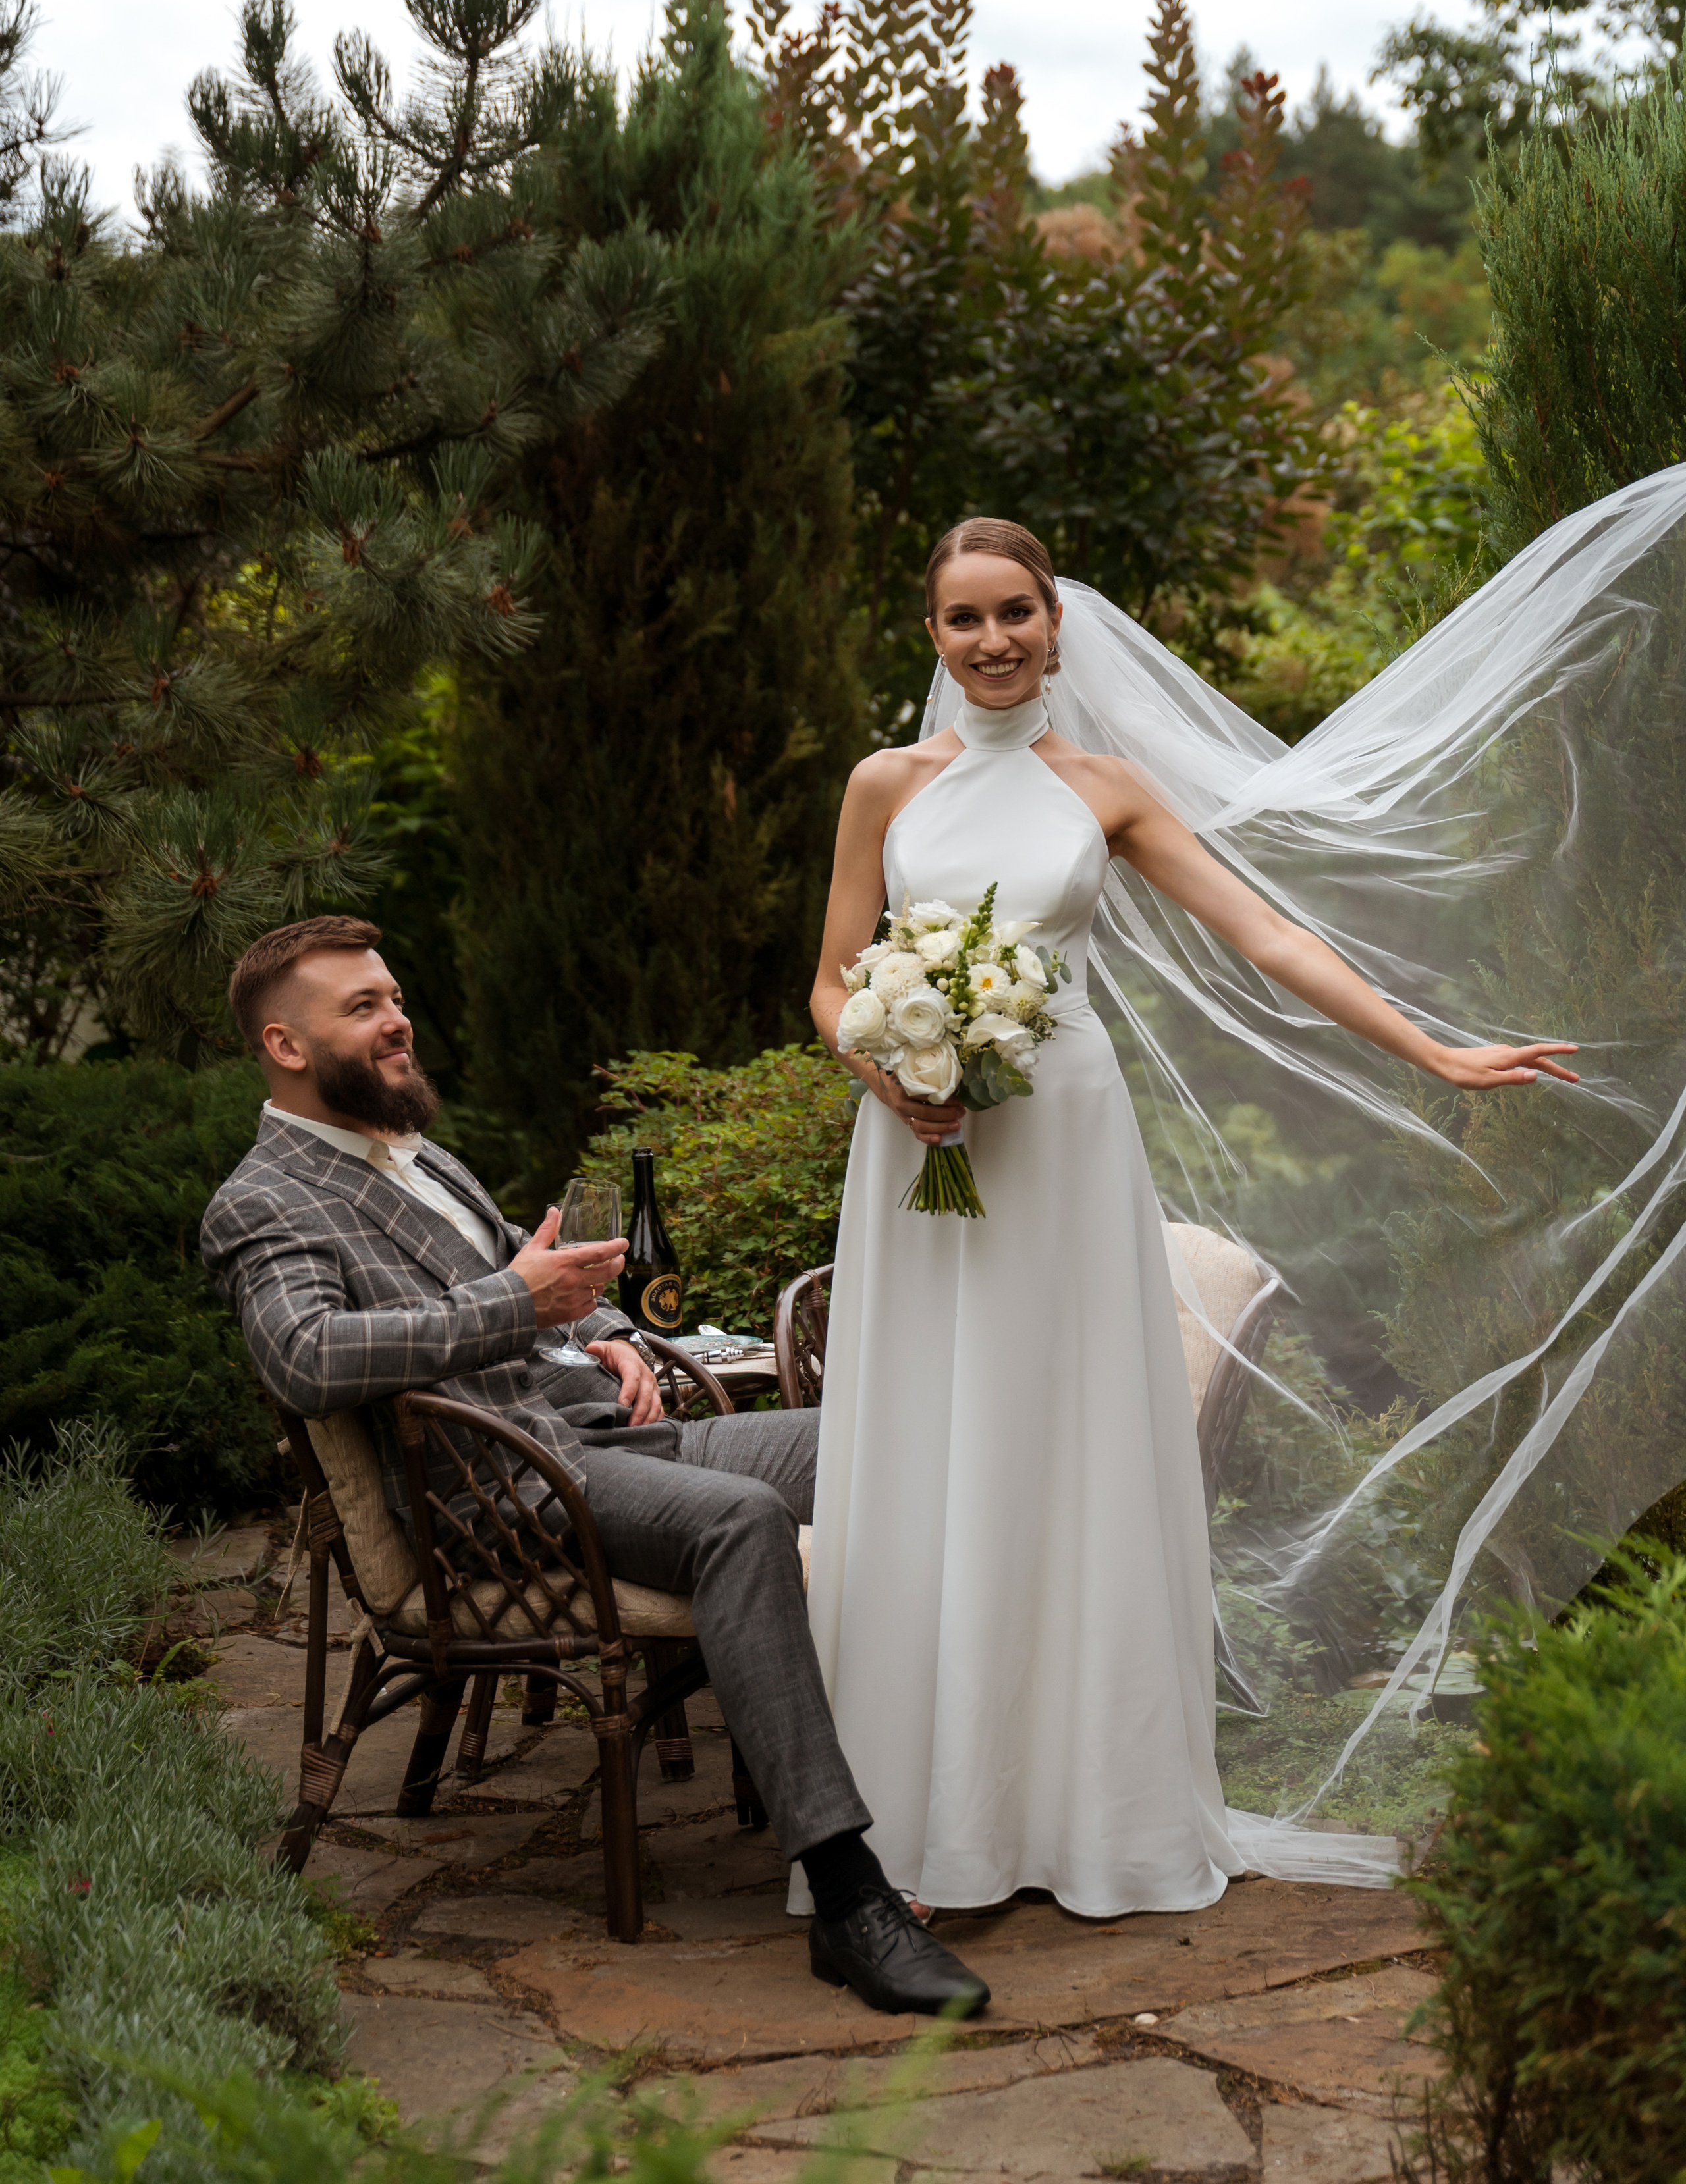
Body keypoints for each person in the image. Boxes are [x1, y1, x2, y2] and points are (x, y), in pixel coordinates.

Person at [803, 518, 1578, 1917]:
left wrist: (1435, 1050)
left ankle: (1080, 1816)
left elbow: (1266, 935)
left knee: (1060, 1433)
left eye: (1015, 613)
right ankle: (921, 1822)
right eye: (964, 618)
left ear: (1056, 624)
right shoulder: (883, 785)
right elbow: (829, 979)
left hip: (1061, 1135)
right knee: (932, 1432)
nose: (992, 640)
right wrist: (891, 1075)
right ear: (932, 636)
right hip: (917, 1150)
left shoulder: (1105, 789)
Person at [200, 914, 991, 2015]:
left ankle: (974, 1785)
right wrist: (514, 1303)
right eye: (364, 1007)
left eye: (396, 999)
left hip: (611, 1436)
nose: (398, 1021)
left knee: (900, 1435)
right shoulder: (266, 1199)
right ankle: (848, 1891)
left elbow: (535, 1286)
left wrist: (606, 1332)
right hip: (507, 1487)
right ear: (285, 1045)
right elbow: (305, 1355)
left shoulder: (419, 1156)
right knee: (741, 1521)